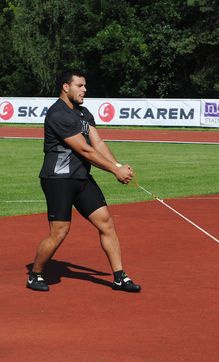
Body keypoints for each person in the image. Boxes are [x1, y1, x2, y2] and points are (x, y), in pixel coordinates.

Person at [27, 70, 142, 291]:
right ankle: (36, 273)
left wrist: (118, 166)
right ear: (65, 87)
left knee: (106, 222)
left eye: (85, 86)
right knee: (59, 231)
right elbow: (85, 150)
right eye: (80, 86)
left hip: (81, 177)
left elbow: (97, 143)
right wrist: (114, 172)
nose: (84, 90)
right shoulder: (58, 114)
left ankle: (120, 276)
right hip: (58, 179)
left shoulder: (83, 113)